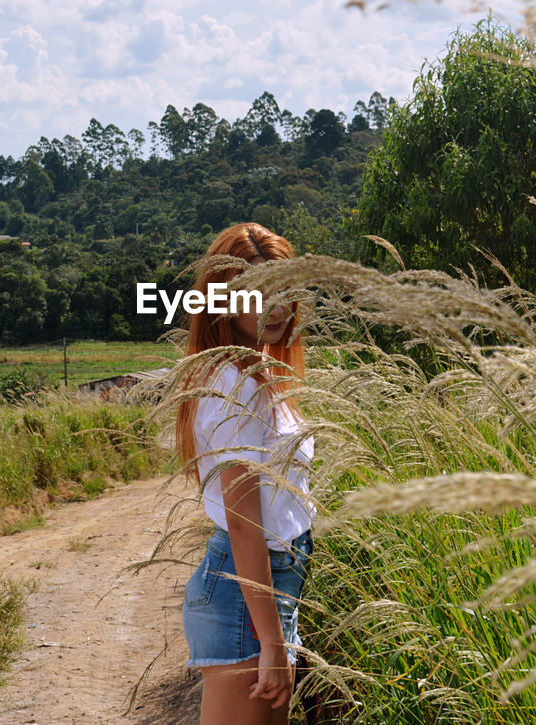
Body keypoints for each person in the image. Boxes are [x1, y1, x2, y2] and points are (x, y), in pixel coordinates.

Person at [176, 223, 313, 725]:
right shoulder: (236, 386)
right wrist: (273, 643)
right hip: (246, 600)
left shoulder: (259, 375)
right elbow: (243, 523)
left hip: (269, 594)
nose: (274, 306)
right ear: (221, 298)